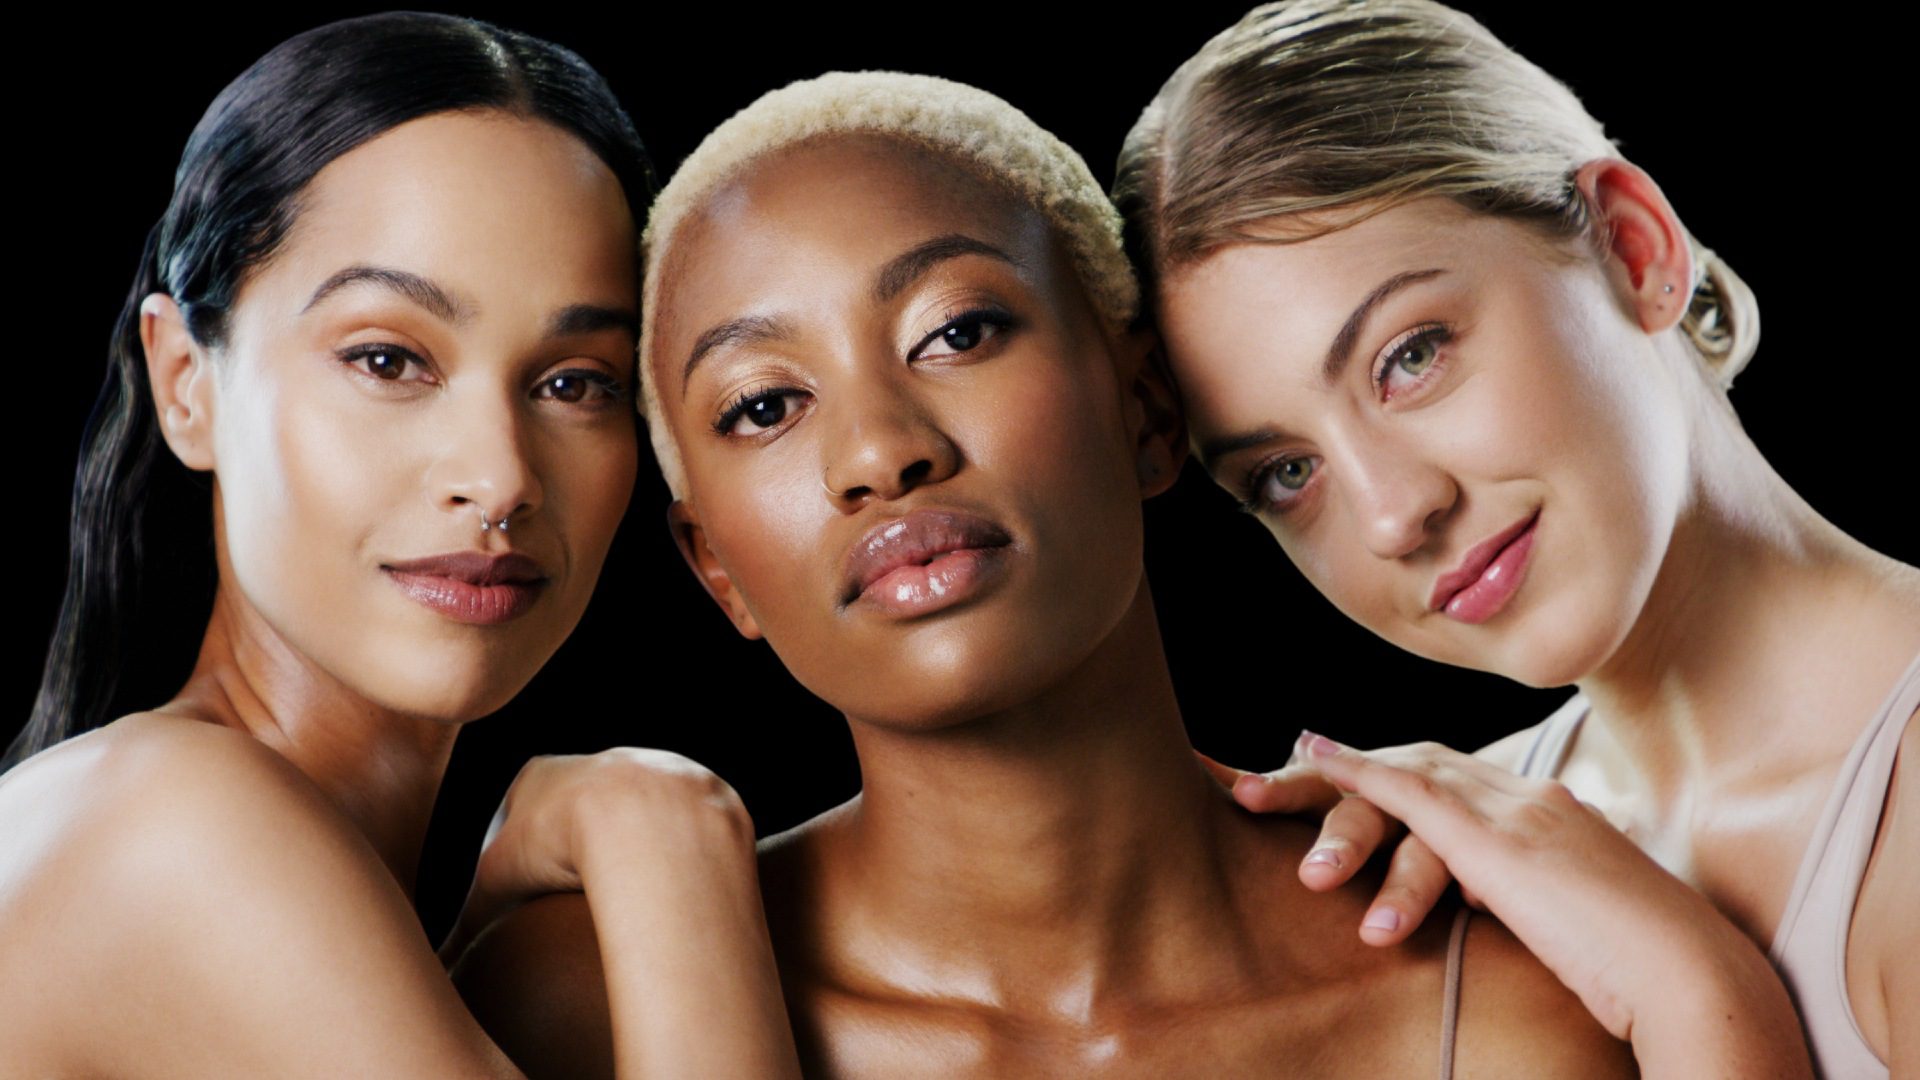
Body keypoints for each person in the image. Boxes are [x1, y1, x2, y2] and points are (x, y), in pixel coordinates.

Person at [452, 70, 1811, 1077]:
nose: (879, 453)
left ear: (1149, 412)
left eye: (958, 330)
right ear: (716, 574)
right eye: (762, 406)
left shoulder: (1516, 997)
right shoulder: (581, 1006)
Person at [1114, 2, 1917, 1075]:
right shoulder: (1456, 873)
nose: (1395, 514)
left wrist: (1696, 992)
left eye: (1411, 355)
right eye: (1286, 473)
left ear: (1634, 248)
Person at [0, 14, 796, 1077]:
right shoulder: (171, 827)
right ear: (187, 382)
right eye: (387, 360)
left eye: (574, 383)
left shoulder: (230, 844)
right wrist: (664, 845)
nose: (502, 477)